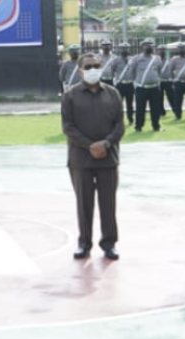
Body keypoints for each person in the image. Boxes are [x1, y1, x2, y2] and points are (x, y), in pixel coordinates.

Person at [60, 52, 125, 259]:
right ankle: (84, 243)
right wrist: (90, 146)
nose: (93, 70)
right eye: (88, 67)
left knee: (108, 203)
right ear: (79, 70)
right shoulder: (70, 95)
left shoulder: (113, 93)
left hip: (108, 157)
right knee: (84, 203)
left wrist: (105, 143)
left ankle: (109, 243)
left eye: (96, 65)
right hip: (81, 159)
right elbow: (68, 127)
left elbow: (119, 125)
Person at [120, 38, 163, 132]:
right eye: (146, 45)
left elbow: (159, 71)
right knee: (140, 108)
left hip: (154, 87)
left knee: (155, 108)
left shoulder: (157, 58)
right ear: (142, 47)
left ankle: (156, 126)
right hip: (141, 88)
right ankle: (138, 126)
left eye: (151, 45)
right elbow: (132, 72)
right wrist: (136, 82)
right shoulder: (136, 58)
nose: (149, 46)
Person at [112, 42, 135, 124]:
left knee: (130, 103)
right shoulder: (116, 60)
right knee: (118, 104)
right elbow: (112, 71)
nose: (125, 50)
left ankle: (130, 119)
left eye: (127, 48)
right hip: (120, 84)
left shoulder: (132, 60)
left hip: (130, 84)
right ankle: (118, 120)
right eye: (123, 48)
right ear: (120, 50)